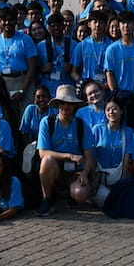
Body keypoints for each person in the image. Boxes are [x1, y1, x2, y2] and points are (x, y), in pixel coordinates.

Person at [35, 85, 95, 216]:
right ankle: (47, 199)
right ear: (57, 105)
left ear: (75, 105)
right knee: (47, 160)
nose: (65, 107)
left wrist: (85, 173)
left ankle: (70, 194)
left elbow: (89, 157)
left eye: (69, 103)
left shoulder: (82, 125)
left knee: (81, 194)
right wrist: (69, 156)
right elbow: (42, 152)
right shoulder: (47, 122)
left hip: (75, 171)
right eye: (62, 103)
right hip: (55, 169)